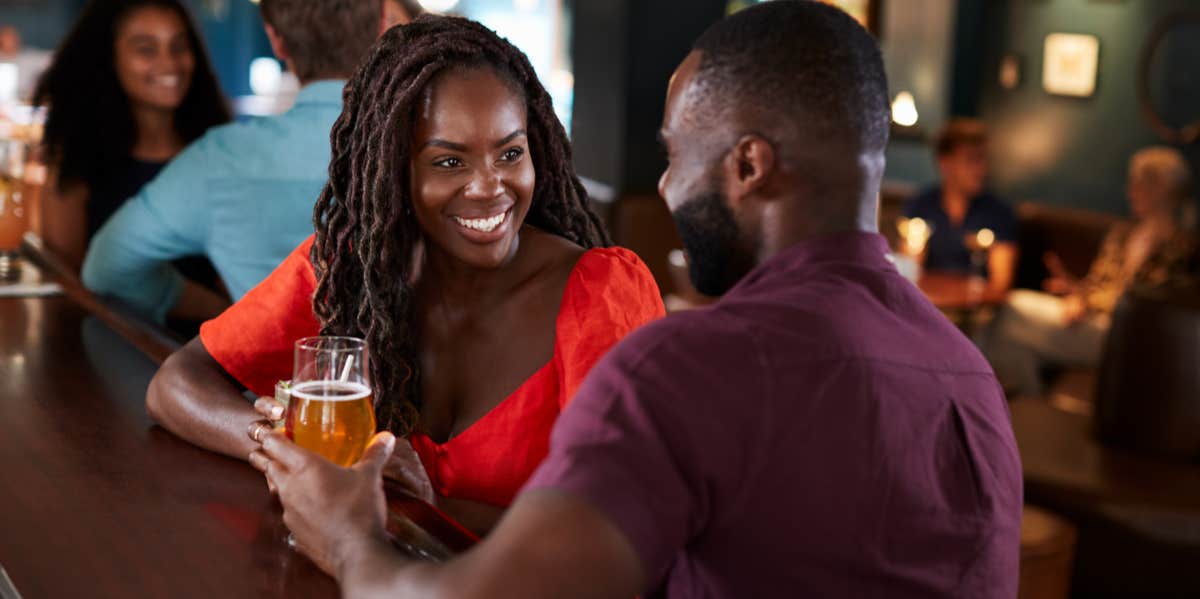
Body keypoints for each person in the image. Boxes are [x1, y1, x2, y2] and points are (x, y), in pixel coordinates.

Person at [250, 3, 1023, 597]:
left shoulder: (687, 367)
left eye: (674, 154)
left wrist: (350, 533)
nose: (663, 186)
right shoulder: (974, 380)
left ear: (748, 165)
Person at [146, 16, 664, 536]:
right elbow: (176, 385)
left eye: (510, 153)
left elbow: (619, 532)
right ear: (396, 171)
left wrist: (428, 504)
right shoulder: (348, 268)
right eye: (448, 162)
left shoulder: (601, 292)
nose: (490, 187)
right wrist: (282, 448)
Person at [80, 0, 381, 323]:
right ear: (382, 27)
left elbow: (106, 267)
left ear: (275, 39)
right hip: (407, 372)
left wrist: (224, 316)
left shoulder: (219, 159)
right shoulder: (422, 147)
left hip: (267, 371)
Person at [34, 0, 230, 275]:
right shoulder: (78, 156)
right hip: (111, 319)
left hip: (223, 318)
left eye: (179, 46)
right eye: (146, 49)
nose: (170, 63)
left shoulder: (218, 147)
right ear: (107, 58)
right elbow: (68, 281)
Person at [984, 146, 1197, 397]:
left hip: (1127, 335)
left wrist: (1086, 301)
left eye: (1139, 185)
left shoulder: (1181, 247)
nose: (1130, 192)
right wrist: (1075, 291)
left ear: (1162, 190)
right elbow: (1098, 284)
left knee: (1013, 308)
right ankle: (1029, 405)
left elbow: (1146, 302)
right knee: (1011, 343)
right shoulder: (1122, 234)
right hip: (1092, 321)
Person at [904, 118, 1018, 293]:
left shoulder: (999, 212)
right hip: (930, 306)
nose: (981, 169)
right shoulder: (920, 205)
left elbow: (1000, 282)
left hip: (978, 314)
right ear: (945, 162)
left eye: (983, 159)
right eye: (972, 160)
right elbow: (910, 269)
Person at [0, 25, 51, 102]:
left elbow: (52, 59)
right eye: (6, 38)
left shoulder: (29, 57)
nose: (9, 41)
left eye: (12, 38)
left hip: (25, 102)